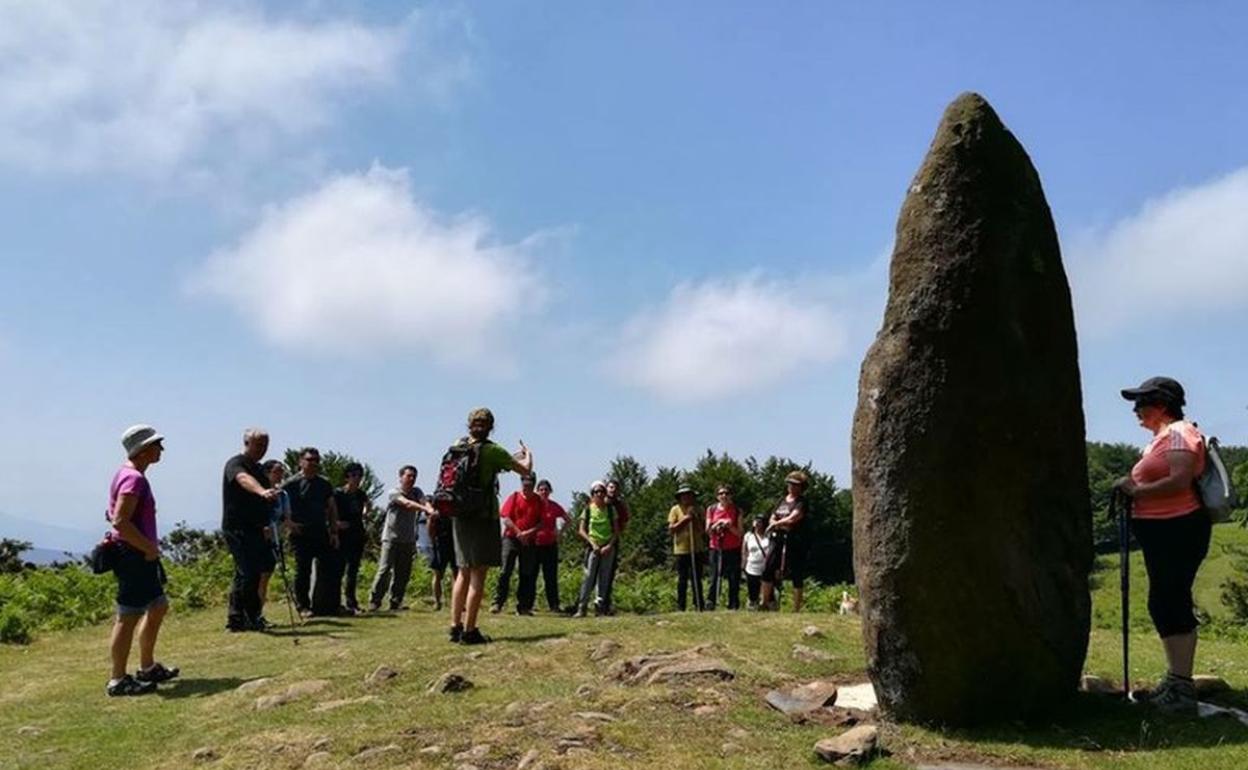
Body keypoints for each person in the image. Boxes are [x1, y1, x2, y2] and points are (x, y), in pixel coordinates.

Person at [1114, 376, 1211, 713]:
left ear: (1161, 405)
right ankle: (1176, 681)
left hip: (1179, 528)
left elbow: (1180, 480)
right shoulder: (1161, 439)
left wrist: (1135, 491)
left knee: (1170, 599)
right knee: (1164, 601)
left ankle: (1181, 688)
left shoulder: (1179, 433)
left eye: (1141, 403)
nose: (1135, 410)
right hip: (1166, 530)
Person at [448, 407, 533, 644]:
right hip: (482, 515)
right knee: (478, 573)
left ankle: (455, 627)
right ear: (491, 426)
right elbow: (525, 470)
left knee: (462, 572)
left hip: (459, 514)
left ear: (469, 425)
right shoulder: (492, 450)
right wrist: (528, 454)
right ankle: (470, 630)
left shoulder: (459, 446)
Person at [104, 425, 177, 696]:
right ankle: (117, 679)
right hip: (134, 555)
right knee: (128, 615)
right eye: (157, 445)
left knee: (158, 606)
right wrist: (147, 547)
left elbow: (116, 514)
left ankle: (147, 667)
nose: (161, 449)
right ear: (143, 450)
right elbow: (120, 521)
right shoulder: (134, 479)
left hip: (137, 553)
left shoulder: (126, 475)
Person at [222, 428, 280, 632]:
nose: (262, 449)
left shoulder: (259, 470)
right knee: (247, 572)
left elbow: (262, 503)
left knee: (252, 573)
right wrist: (262, 491)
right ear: (246, 443)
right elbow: (243, 479)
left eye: (265, 445)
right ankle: (243, 618)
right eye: (258, 445)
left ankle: (246, 618)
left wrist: (266, 525)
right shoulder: (236, 463)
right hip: (237, 528)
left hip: (256, 528)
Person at [283, 447, 341, 617]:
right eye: (309, 459)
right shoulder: (291, 484)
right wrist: (288, 524)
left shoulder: (324, 483)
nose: (313, 463)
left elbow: (331, 508)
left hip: (321, 531)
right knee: (303, 571)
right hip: (300, 534)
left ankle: (328, 605)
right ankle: (303, 606)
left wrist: (334, 532)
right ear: (301, 461)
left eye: (316, 460)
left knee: (330, 569)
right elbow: (279, 506)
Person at [370, 465, 432, 611]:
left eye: (414, 476)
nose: (411, 479)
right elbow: (408, 504)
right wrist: (427, 510)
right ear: (401, 477)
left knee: (403, 572)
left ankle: (395, 601)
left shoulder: (417, 492)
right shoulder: (394, 493)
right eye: (408, 476)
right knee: (384, 570)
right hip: (391, 538)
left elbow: (424, 501)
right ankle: (375, 600)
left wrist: (429, 507)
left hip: (408, 538)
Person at [493, 473, 544, 615]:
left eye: (530, 483)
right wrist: (518, 532)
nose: (527, 485)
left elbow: (541, 522)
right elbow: (506, 518)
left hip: (529, 541)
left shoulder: (538, 501)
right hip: (511, 539)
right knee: (505, 571)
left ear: (534, 484)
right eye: (525, 483)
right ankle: (498, 602)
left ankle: (523, 606)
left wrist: (528, 533)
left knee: (526, 573)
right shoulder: (514, 497)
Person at [761, 471, 810, 612]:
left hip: (795, 540)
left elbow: (794, 518)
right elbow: (772, 517)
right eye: (790, 483)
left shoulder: (801, 502)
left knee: (796, 573)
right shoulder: (781, 500)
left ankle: (796, 608)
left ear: (801, 487)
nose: (791, 486)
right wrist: (777, 524)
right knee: (768, 568)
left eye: (795, 484)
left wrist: (777, 523)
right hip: (777, 539)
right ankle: (764, 602)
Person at [574, 481, 620, 617]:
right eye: (596, 492)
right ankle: (582, 607)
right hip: (592, 548)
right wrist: (592, 543)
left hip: (607, 547)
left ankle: (599, 608)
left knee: (604, 578)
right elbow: (581, 530)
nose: (599, 494)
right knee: (588, 577)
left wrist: (609, 546)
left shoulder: (611, 510)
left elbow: (617, 531)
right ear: (592, 495)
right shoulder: (588, 509)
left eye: (602, 491)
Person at [335, 462, 373, 614]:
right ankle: (335, 602)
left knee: (353, 570)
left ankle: (351, 602)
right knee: (338, 570)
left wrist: (366, 512)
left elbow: (367, 504)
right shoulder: (338, 493)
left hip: (357, 534)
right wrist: (336, 524)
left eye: (359, 475)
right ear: (347, 477)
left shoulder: (361, 494)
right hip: (341, 535)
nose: (357, 478)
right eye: (353, 475)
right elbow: (329, 510)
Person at [257, 460, 292, 621]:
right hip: (260, 539)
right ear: (267, 473)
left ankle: (259, 613)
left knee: (266, 576)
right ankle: (253, 613)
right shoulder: (259, 492)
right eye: (276, 471)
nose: (280, 475)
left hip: (275, 539)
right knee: (258, 576)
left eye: (281, 471)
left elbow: (286, 517)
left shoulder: (283, 495)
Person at [705, 485, 744, 610]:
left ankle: (733, 604)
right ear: (717, 496)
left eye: (726, 493)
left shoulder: (737, 510)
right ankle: (711, 602)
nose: (724, 496)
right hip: (716, 547)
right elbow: (708, 530)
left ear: (731, 496)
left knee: (734, 577)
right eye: (721, 493)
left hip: (733, 548)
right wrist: (717, 525)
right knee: (715, 576)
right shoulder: (711, 509)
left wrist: (729, 526)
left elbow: (740, 533)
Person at [667, 485, 706, 611]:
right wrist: (685, 520)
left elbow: (702, 530)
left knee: (696, 579)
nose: (686, 498)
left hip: (697, 549)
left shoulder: (699, 509)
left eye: (689, 495)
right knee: (682, 579)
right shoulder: (675, 509)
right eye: (684, 495)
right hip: (681, 550)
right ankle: (681, 606)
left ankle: (699, 605)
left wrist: (694, 519)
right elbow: (672, 529)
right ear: (680, 497)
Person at [535, 479, 570, 612]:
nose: (544, 492)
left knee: (551, 576)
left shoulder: (554, 506)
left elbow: (567, 519)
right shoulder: (534, 505)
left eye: (546, 489)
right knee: (531, 575)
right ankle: (528, 604)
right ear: (537, 491)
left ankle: (554, 605)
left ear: (550, 491)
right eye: (541, 489)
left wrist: (560, 533)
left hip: (550, 545)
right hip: (535, 544)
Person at [602, 479, 631, 614]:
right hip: (596, 541)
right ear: (606, 488)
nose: (613, 490)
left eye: (615, 488)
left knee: (609, 574)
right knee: (591, 574)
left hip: (613, 541)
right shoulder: (598, 501)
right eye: (611, 487)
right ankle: (582, 603)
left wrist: (615, 536)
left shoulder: (620, 505)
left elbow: (624, 522)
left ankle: (605, 604)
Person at [427, 507, 458, 611]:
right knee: (438, 574)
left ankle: (457, 602)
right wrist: (433, 541)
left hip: (455, 543)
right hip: (440, 542)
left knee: (457, 574)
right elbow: (430, 527)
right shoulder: (436, 512)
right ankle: (437, 602)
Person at [742, 515, 771, 610]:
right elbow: (744, 551)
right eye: (756, 521)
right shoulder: (748, 536)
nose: (757, 524)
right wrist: (743, 565)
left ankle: (767, 605)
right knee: (752, 589)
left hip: (766, 566)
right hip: (751, 566)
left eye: (760, 522)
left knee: (767, 589)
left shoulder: (769, 535)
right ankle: (753, 605)